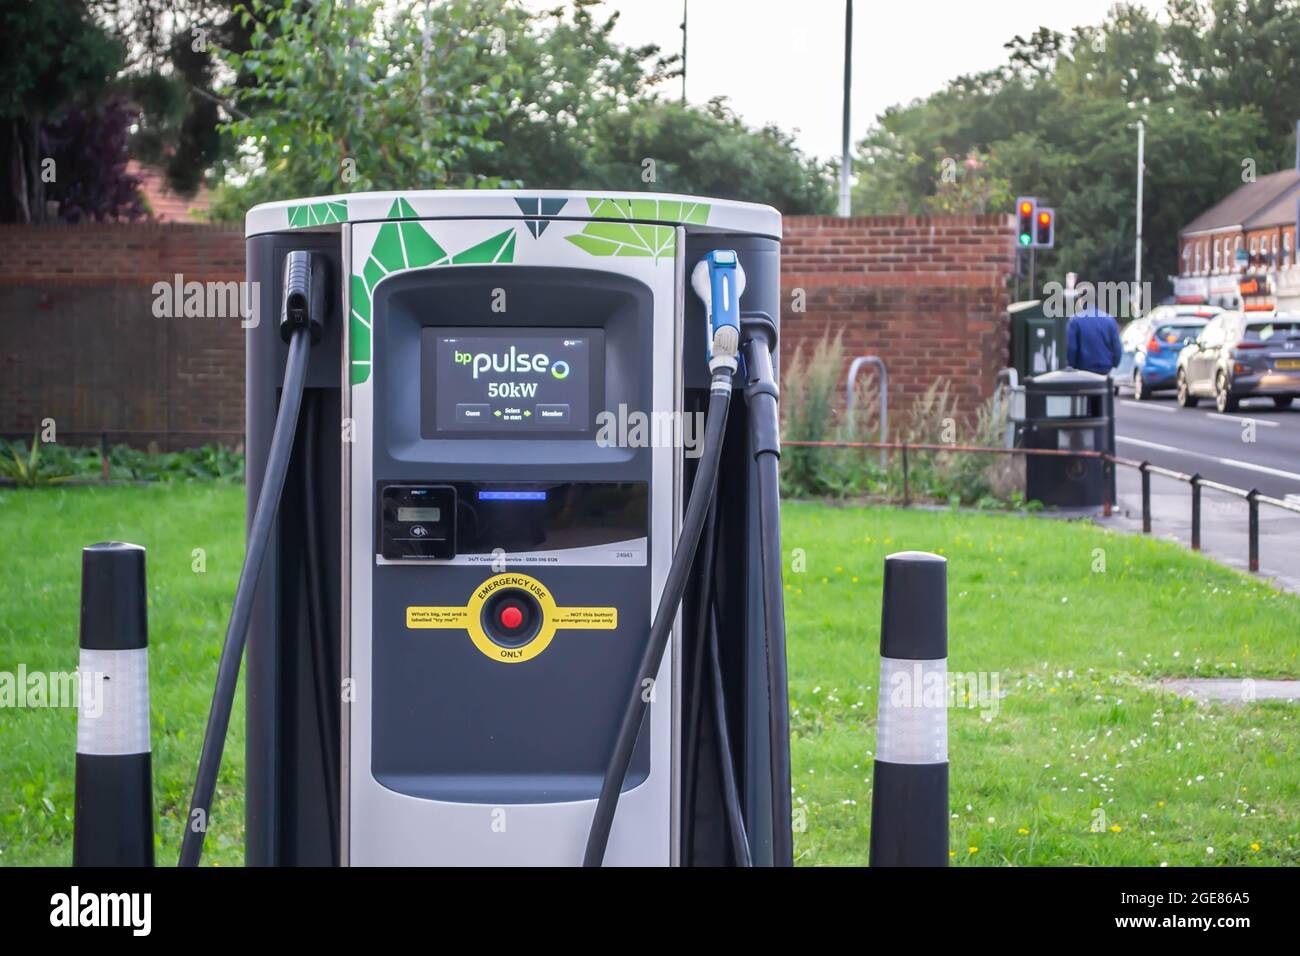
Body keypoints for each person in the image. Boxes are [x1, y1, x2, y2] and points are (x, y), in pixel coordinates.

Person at [1066, 305, 1122, 375]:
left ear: (1083, 301)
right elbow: (1117, 347)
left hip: (1082, 371)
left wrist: (1071, 366)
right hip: (1104, 370)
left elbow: (1072, 348)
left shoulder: (1075, 320)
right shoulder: (1110, 320)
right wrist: (1115, 364)